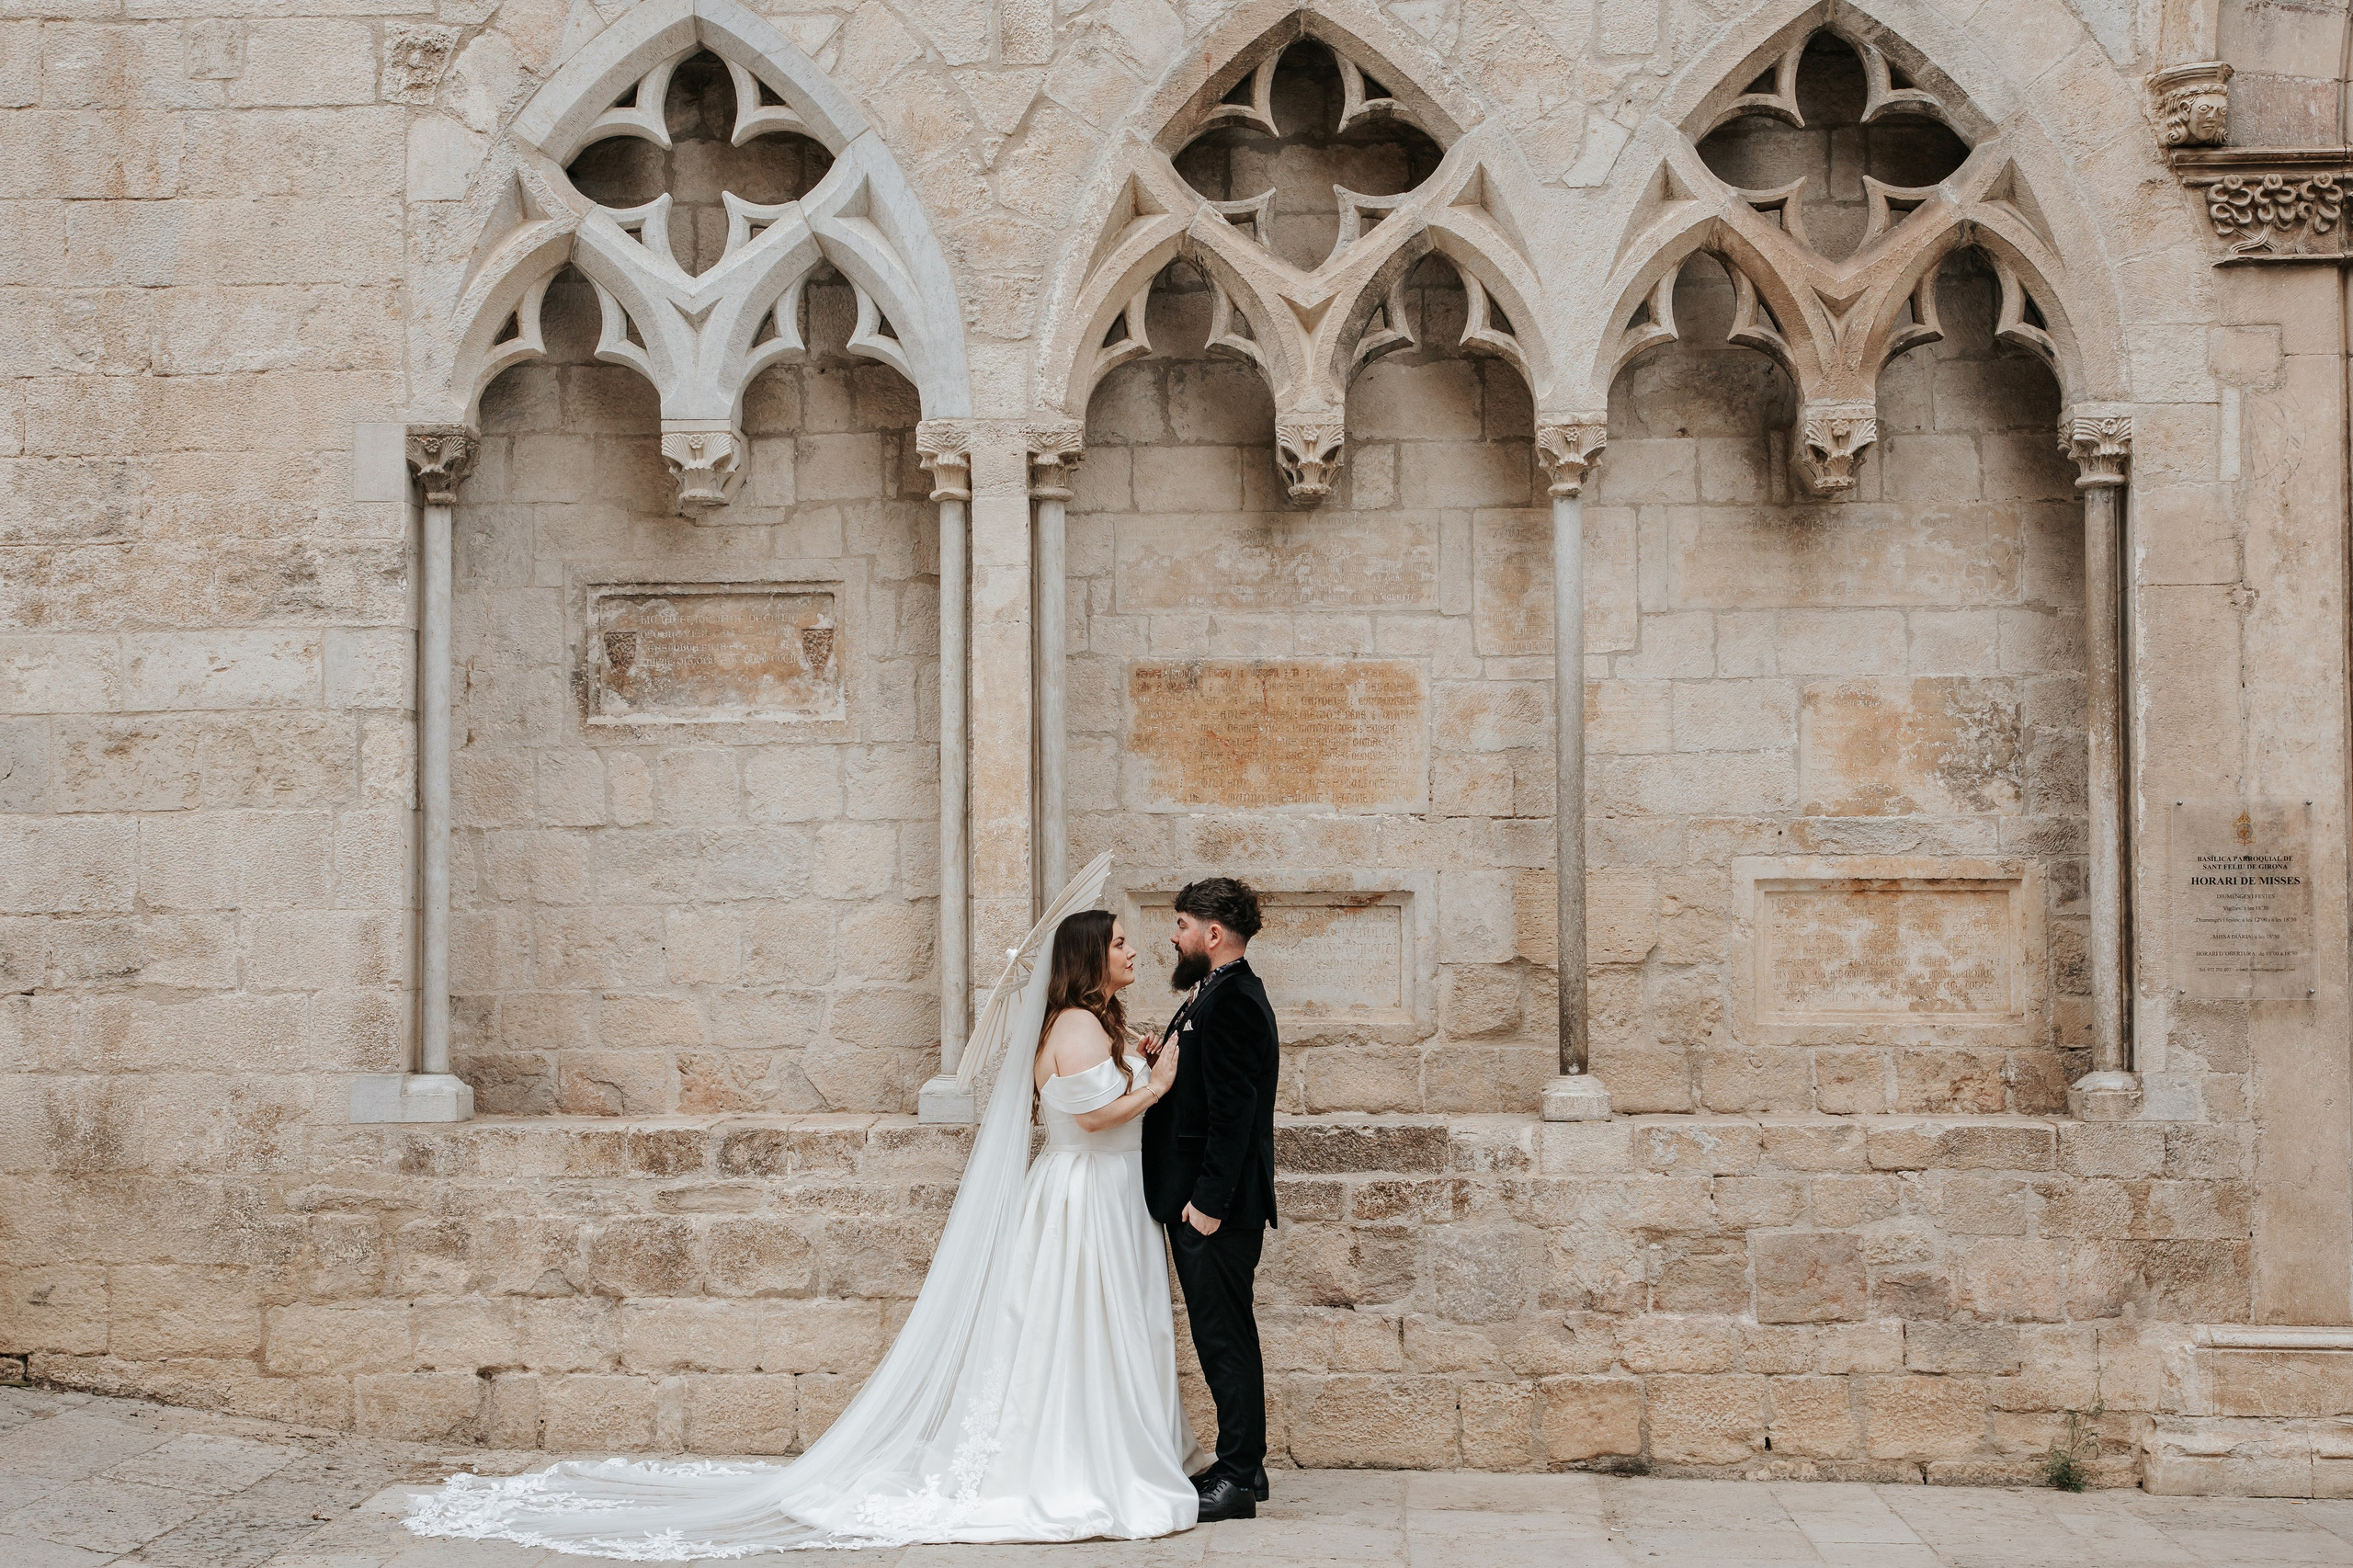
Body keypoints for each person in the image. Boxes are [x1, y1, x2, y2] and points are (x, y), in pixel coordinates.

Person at [403, 867, 1206, 1556]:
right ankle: (1079, 1462)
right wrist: (1157, 1084)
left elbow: (1097, 1092)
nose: (1135, 951)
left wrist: (1133, 1060)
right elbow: (1090, 1116)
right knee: (1074, 1327)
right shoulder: (1072, 1024)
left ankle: (1104, 1447)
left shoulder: (1093, 1026)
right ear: (1089, 958)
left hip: (1102, 1195)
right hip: (1081, 1195)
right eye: (1122, 943)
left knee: (1094, 1327)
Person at [1140, 876, 1279, 1523]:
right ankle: (1243, 1466)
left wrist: (1207, 1207)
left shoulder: (1233, 1000)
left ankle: (1239, 1480)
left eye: (1181, 925)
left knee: (1224, 1339)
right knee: (1224, 1335)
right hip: (1202, 1202)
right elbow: (1204, 1084)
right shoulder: (1213, 993)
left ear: (1212, 933)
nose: (1173, 936)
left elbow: (1235, 1111)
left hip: (1214, 1208)